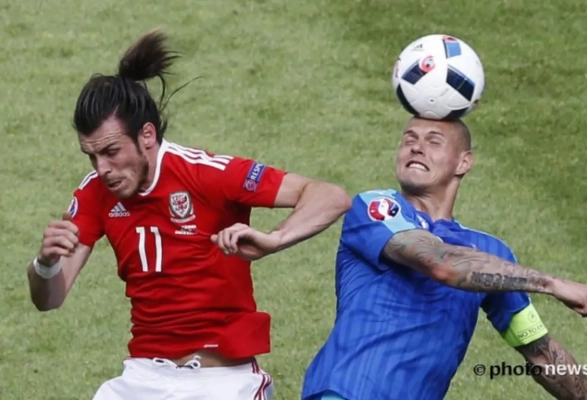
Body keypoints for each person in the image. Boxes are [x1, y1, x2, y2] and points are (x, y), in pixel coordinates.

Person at [26, 30, 351, 400]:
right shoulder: (94, 192)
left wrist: (275, 238)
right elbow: (48, 299)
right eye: (92, 156)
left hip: (222, 380)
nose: (102, 169)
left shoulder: (206, 173)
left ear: (147, 135)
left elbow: (330, 196)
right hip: (143, 378)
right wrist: (46, 264)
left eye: (111, 152)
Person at [301, 116, 587, 400]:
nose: (416, 147)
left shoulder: (491, 252)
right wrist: (553, 284)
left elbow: (541, 353)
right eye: (409, 140)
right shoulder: (376, 208)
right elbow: (441, 263)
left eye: (433, 142)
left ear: (463, 162)